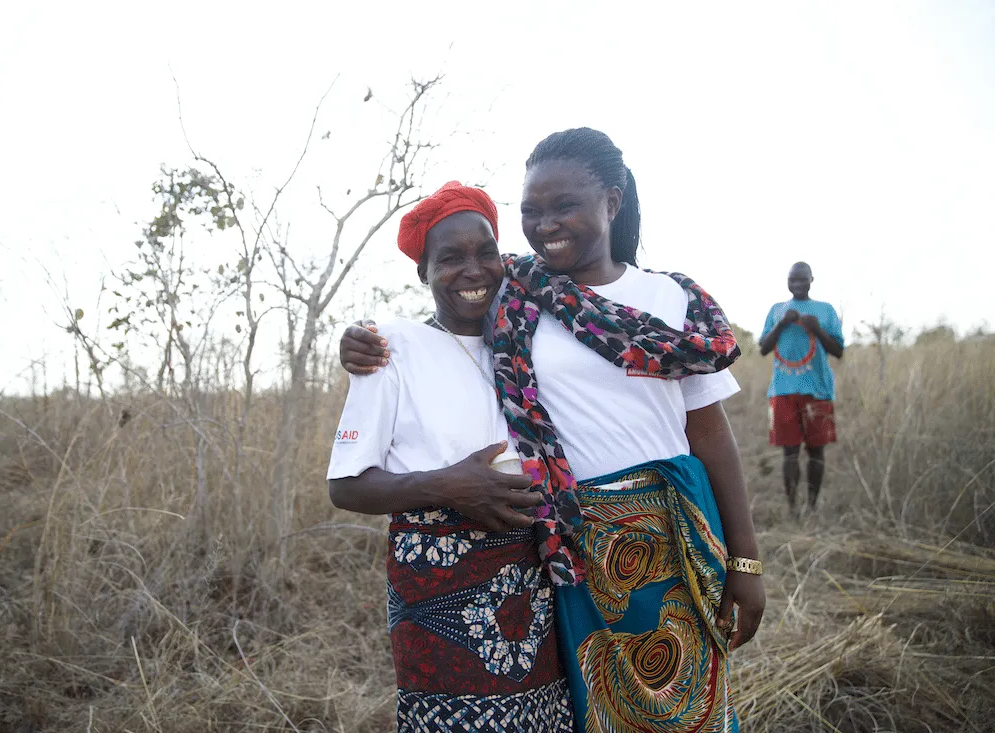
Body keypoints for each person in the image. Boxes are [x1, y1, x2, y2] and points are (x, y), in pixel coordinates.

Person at [340, 128, 765, 733]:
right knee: (597, 710)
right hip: (571, 544)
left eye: (564, 206)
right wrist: (358, 341)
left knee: (687, 706)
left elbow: (712, 436)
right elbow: (445, 304)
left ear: (612, 202)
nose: (545, 225)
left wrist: (746, 564)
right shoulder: (518, 298)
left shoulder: (672, 300)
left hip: (675, 529)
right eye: (531, 212)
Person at [326, 181, 575, 732]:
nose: (474, 270)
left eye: (486, 252)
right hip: (436, 582)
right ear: (423, 272)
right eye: (451, 258)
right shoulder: (390, 347)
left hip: (530, 571)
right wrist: (449, 486)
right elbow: (345, 486)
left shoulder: (526, 342)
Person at [758, 261, 845, 519]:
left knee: (816, 451)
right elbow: (763, 348)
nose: (797, 285)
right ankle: (793, 509)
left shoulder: (825, 311)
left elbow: (839, 351)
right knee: (790, 452)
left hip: (817, 391)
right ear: (787, 281)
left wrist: (817, 329)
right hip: (783, 390)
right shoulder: (777, 310)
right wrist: (782, 324)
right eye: (792, 280)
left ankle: (812, 506)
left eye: (802, 279)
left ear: (811, 280)